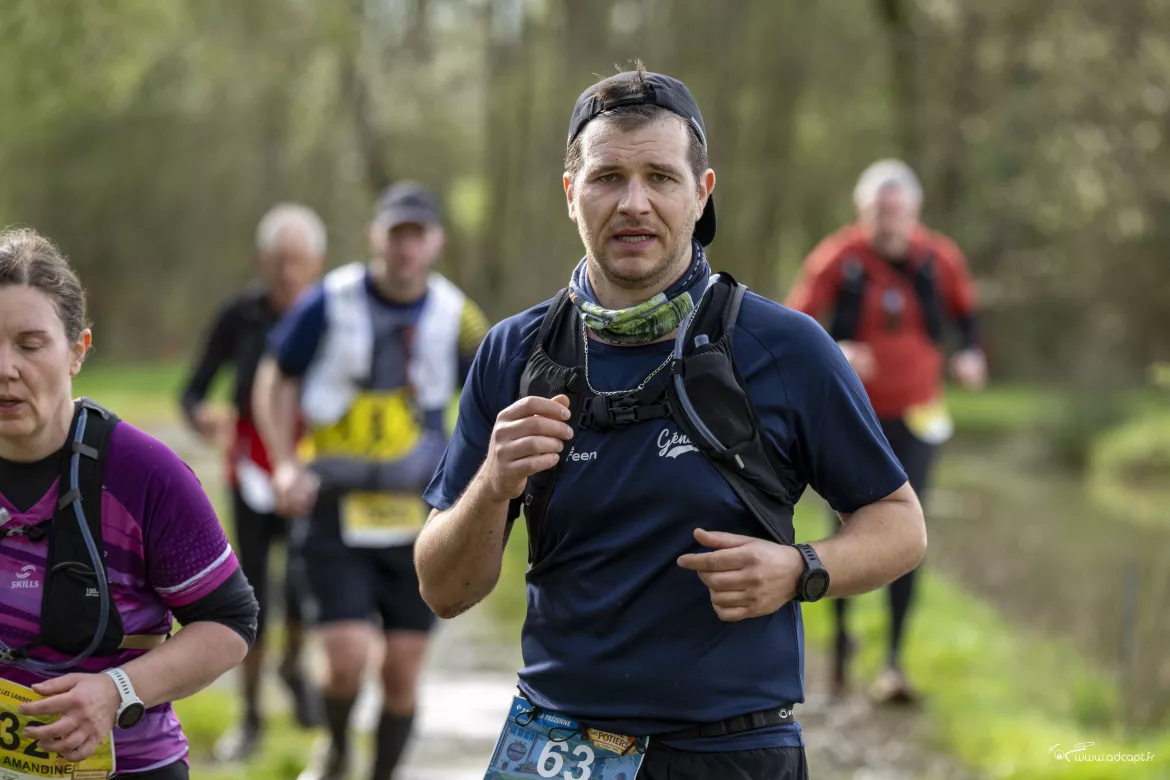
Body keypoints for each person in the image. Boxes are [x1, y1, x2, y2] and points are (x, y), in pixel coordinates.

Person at [416, 65, 927, 780]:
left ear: (701, 193)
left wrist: (801, 569)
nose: (634, 203)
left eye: (660, 177)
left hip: (730, 748)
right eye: (607, 178)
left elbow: (900, 525)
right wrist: (493, 484)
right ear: (571, 194)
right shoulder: (515, 351)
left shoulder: (784, 348)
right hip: (558, 744)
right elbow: (444, 591)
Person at [253, 182, 491, 780]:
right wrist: (283, 463)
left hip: (419, 512)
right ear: (374, 237)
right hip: (334, 504)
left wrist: (480, 483)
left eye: (418, 236)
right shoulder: (327, 300)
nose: (406, 248)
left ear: (436, 242)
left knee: (402, 670)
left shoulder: (459, 315)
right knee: (346, 659)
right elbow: (274, 376)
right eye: (395, 234)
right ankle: (336, 748)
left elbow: (496, 391)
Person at [0, 228, 258, 779]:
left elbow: (230, 623)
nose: (5, 368)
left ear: (77, 351)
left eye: (29, 344)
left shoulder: (146, 475)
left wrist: (117, 690)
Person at [784, 159, 986, 703]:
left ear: (915, 212)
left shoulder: (939, 258)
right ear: (861, 211)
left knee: (909, 527)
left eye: (897, 211)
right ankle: (841, 643)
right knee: (847, 526)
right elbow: (794, 322)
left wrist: (971, 354)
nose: (888, 221)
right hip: (852, 416)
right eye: (879, 211)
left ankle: (894, 660)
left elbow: (967, 316)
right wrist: (837, 350)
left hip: (919, 414)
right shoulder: (839, 257)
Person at [178, 203, 326, 760]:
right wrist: (202, 416)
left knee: (307, 589)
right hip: (250, 472)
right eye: (278, 260)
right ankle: (251, 716)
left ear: (316, 263)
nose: (288, 271)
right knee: (253, 595)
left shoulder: (334, 314)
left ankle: (293, 667)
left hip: (312, 471)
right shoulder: (238, 316)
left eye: (298, 260)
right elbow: (193, 390)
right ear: (263, 261)